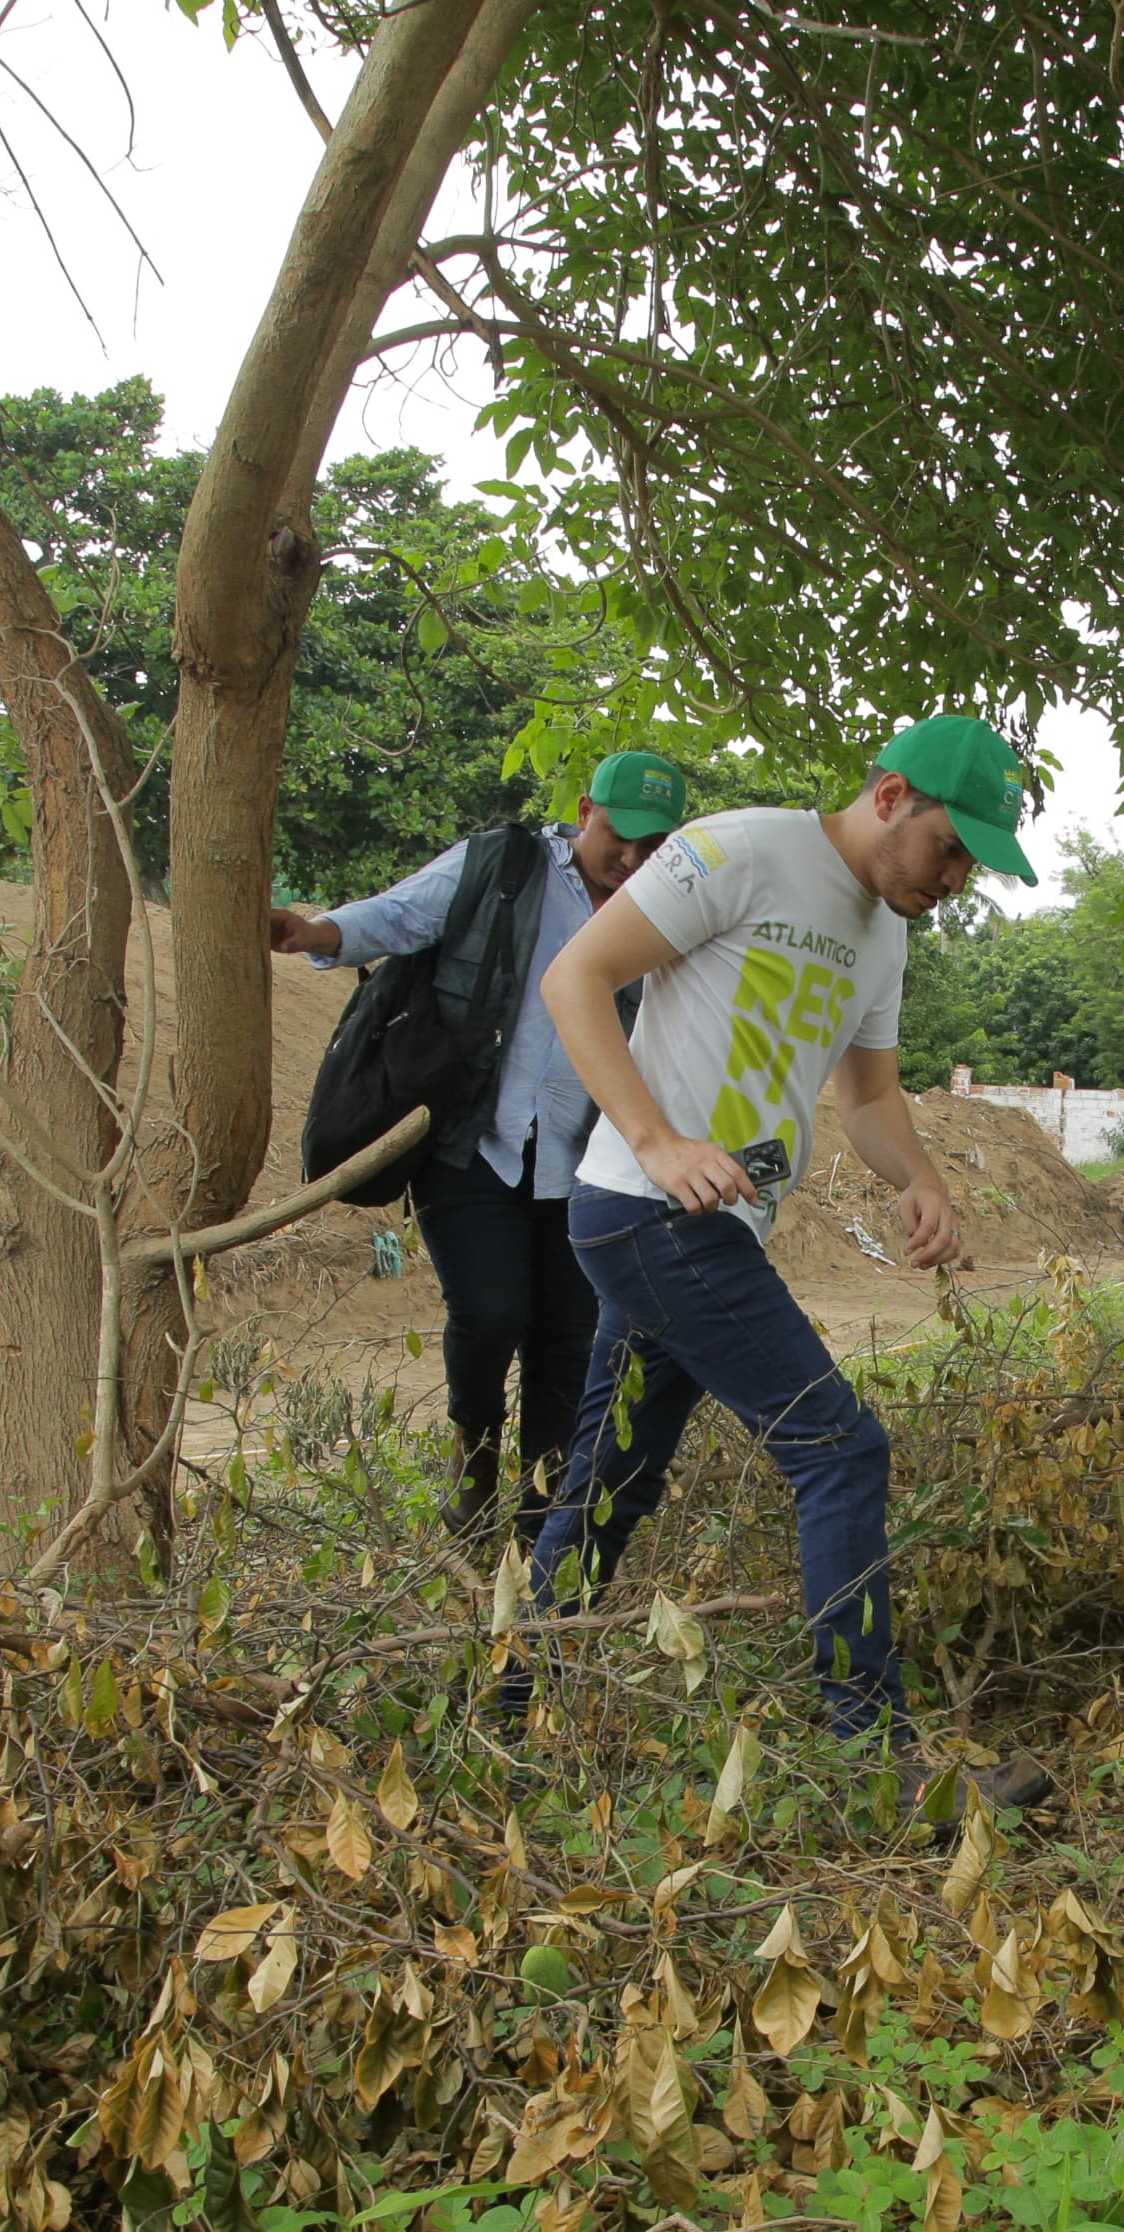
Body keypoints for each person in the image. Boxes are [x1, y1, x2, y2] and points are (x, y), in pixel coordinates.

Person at [518, 715, 1048, 1794]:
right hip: (648, 1209)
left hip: (696, 1225)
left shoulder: (885, 930)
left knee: (609, 1481)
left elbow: (868, 1096)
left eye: (972, 865)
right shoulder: (739, 849)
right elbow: (575, 978)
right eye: (950, 847)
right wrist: (658, 1139)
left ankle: (499, 1693)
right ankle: (876, 1752)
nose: (955, 879)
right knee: (839, 1448)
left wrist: (922, 1180)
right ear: (891, 796)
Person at [264, 753, 691, 1541]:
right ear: (585, 810)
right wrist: (317, 931)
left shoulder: (668, 912)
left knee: (569, 1341)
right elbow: (399, 917)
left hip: (585, 1163)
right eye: (622, 836)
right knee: (491, 1313)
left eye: (655, 844)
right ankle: (475, 1453)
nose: (632, 858)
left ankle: (540, 1520)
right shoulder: (505, 863)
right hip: (473, 1141)